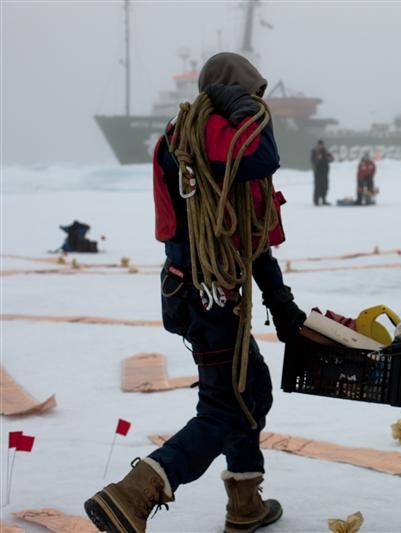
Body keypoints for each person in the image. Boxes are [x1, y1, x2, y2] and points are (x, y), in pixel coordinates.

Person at [84, 52, 306, 533]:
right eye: (252, 96)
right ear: (231, 93)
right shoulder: (203, 132)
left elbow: (250, 235)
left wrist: (280, 303)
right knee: (226, 406)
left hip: (210, 291)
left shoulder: (212, 134)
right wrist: (240, 108)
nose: (259, 107)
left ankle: (245, 501)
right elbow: (264, 155)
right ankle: (135, 492)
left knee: (251, 390)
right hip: (208, 293)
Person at [310, 139, 334, 205]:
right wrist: (317, 159)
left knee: (325, 186)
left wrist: (330, 158)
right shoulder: (314, 151)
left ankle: (324, 200)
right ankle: (316, 201)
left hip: (325, 172)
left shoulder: (325, 151)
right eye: (320, 145)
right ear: (318, 145)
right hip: (318, 172)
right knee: (317, 186)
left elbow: (332, 159)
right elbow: (313, 161)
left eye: (322, 145)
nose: (321, 146)